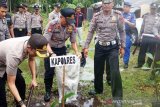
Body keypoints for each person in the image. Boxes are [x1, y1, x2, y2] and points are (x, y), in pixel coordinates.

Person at [83, 0, 125, 106]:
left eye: (109, 3)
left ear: (113, 4)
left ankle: (117, 98)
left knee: (115, 71)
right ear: (102, 4)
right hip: (100, 46)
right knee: (98, 69)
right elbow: (91, 31)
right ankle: (98, 89)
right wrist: (86, 46)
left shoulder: (117, 15)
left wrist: (123, 46)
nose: (106, 5)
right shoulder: (96, 16)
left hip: (113, 47)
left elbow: (122, 31)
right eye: (104, 3)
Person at [0, 34, 50, 107]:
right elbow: (11, 83)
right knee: (1, 99)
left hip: (6, 60)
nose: (37, 55)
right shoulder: (15, 55)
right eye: (36, 53)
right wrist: (22, 104)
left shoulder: (32, 41)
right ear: (29, 48)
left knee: (21, 83)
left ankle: (19, 104)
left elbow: (31, 59)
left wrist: (34, 79)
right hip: (3, 62)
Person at [43, 8, 81, 102]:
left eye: (71, 20)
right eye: (67, 20)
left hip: (62, 49)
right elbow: (45, 41)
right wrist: (51, 53)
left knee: (63, 71)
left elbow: (73, 41)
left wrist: (77, 52)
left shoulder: (71, 25)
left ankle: (62, 90)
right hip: (50, 49)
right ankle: (48, 91)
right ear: (61, 17)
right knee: (49, 71)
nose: (69, 22)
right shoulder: (52, 24)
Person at [134, 3, 158, 68]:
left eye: (154, 9)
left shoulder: (158, 17)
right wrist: (140, 35)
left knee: (151, 51)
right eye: (152, 9)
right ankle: (140, 64)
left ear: (156, 9)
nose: (153, 10)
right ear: (150, 8)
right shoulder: (146, 16)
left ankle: (148, 65)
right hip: (145, 35)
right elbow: (142, 26)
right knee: (142, 50)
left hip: (153, 37)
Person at [123, 1, 136, 68]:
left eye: (126, 7)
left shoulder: (132, 15)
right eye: (124, 6)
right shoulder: (120, 14)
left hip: (128, 34)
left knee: (126, 48)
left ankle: (125, 62)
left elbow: (134, 25)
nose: (124, 8)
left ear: (129, 8)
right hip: (119, 34)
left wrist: (127, 21)